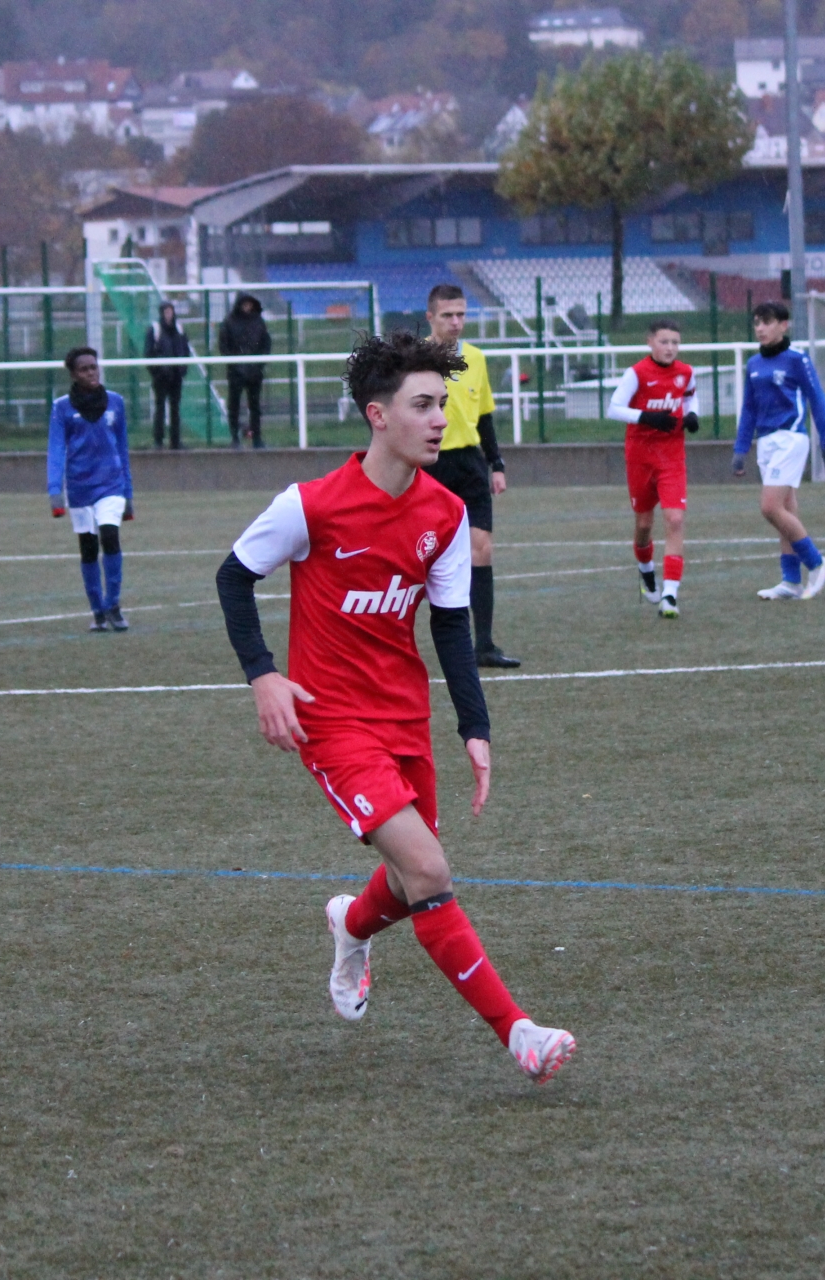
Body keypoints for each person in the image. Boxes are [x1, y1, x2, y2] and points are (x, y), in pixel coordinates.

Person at [212, 331, 577, 1085]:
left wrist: (473, 728)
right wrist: (264, 676)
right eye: (423, 405)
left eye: (442, 403)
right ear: (378, 415)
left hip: (404, 717)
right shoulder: (310, 506)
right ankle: (519, 1034)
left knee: (413, 882)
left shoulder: (443, 512)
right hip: (333, 722)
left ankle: (350, 923)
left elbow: (448, 624)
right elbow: (232, 577)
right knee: (430, 867)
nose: (441, 419)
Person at [423, 283, 518, 666]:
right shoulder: (415, 358)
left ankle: (484, 645)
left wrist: (496, 464)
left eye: (462, 314)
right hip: (429, 466)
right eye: (448, 315)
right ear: (430, 317)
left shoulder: (475, 358)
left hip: (470, 465)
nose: (456, 322)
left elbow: (484, 415)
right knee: (420, 556)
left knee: (482, 549)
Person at [734, 301, 825, 602]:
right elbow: (749, 409)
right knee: (786, 510)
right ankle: (791, 581)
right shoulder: (754, 364)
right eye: (756, 322)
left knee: (770, 507)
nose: (760, 328)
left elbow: (817, 400)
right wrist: (740, 448)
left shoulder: (797, 360)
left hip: (790, 439)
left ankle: (818, 563)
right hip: (766, 443)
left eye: (767, 322)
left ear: (784, 325)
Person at [606, 319, 699, 618]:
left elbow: (690, 394)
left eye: (675, 342)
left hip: (672, 456)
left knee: (674, 519)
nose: (670, 347)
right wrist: (647, 417)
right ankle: (646, 571)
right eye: (664, 341)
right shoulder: (636, 373)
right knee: (644, 525)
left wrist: (693, 414)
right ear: (650, 342)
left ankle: (670, 595)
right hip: (641, 457)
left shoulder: (685, 372)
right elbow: (614, 408)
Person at [48, 347, 135, 632]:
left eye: (94, 367)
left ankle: (114, 605)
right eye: (84, 369)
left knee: (110, 536)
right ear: (74, 374)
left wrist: (129, 494)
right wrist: (54, 491)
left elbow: (122, 448)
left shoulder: (115, 403)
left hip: (111, 484)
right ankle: (97, 610)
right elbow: (57, 449)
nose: (91, 372)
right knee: (88, 548)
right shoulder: (62, 407)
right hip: (79, 487)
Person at [219, 292, 271, 448]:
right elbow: (223, 346)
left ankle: (257, 439)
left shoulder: (258, 322)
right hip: (236, 372)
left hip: (255, 372)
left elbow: (265, 344)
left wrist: (259, 364)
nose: (247, 307)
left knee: (255, 406)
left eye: (249, 304)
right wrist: (235, 365)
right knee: (234, 405)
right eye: (244, 304)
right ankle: (235, 438)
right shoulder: (229, 322)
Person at [143, 301, 192, 450]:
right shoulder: (155, 329)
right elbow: (148, 353)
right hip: (161, 376)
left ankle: (175, 441)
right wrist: (156, 371)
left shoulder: (179, 328)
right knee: (160, 407)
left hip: (176, 376)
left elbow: (185, 349)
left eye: (171, 311)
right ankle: (158, 441)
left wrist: (182, 368)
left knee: (175, 408)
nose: (169, 314)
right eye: (166, 311)